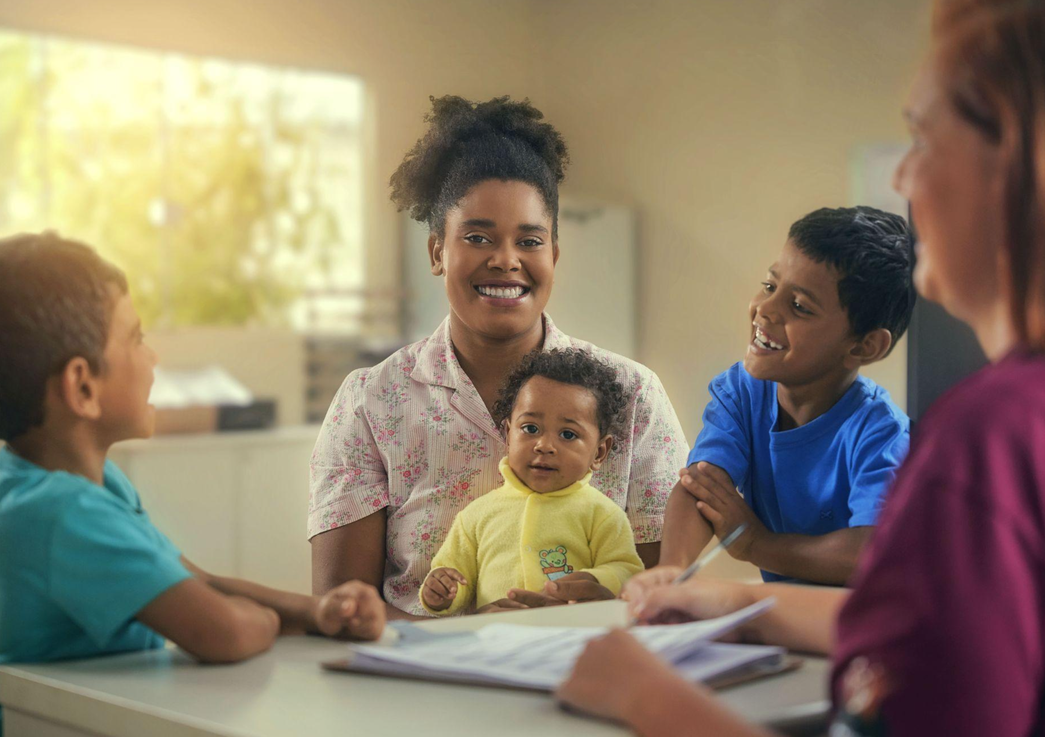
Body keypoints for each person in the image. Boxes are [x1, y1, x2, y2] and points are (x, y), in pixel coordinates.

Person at [558, 0, 1045, 734]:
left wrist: (647, 698)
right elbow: (952, 631)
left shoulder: (991, 441)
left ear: (1024, 169)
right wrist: (734, 600)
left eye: (922, 137)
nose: (901, 174)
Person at [308, 96, 688, 618]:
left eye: (529, 240)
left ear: (553, 254)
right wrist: (465, 641)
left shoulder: (633, 393)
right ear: (438, 251)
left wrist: (580, 607)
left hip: (585, 674)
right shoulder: (371, 402)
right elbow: (345, 606)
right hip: (422, 686)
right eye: (478, 237)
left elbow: (664, 595)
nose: (506, 260)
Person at [0, 233, 385, 673]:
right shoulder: (65, 511)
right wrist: (264, 619)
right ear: (83, 387)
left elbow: (196, 581)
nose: (152, 356)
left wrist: (315, 613)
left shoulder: (69, 483)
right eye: (135, 339)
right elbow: (225, 633)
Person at [657, 206, 913, 585]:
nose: (765, 310)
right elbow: (702, 486)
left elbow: (869, 551)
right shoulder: (741, 392)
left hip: (859, 625)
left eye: (799, 306)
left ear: (864, 346)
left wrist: (757, 545)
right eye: (770, 285)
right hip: (786, 617)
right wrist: (669, 575)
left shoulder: (882, 433)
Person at [420, 349, 643, 615]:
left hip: (570, 637)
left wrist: (597, 580)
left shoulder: (603, 514)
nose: (544, 445)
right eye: (530, 429)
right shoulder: (476, 515)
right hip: (497, 637)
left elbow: (627, 570)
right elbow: (455, 575)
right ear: (508, 434)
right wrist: (441, 592)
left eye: (568, 434)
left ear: (599, 452)